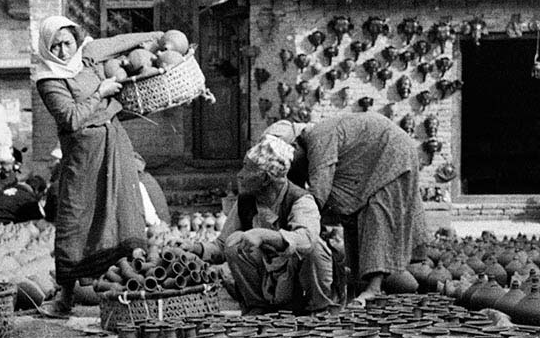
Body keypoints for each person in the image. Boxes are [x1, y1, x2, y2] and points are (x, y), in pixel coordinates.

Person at [33, 15, 157, 317]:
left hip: (114, 144)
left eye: (67, 43)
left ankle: (141, 290)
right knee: (74, 220)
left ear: (77, 40)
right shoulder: (49, 79)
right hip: (82, 156)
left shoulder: (89, 56)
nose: (63, 51)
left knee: (124, 211)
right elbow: (72, 119)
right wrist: (100, 92)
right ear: (46, 49)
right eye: (56, 46)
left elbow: (121, 42)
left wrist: (158, 38)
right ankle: (65, 296)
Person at [277, 112, 425, 307]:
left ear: (294, 145)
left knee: (378, 213)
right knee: (353, 217)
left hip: (392, 155)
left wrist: (303, 227)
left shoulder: (318, 138)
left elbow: (319, 189)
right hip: (374, 160)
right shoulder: (315, 142)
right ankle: (357, 284)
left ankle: (373, 288)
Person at [182, 136, 337, 315]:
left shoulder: (300, 199)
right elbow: (223, 245)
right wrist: (195, 249)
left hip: (295, 280)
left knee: (315, 248)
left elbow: (306, 239)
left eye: (247, 168)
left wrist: (263, 235)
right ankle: (257, 308)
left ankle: (316, 310)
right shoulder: (246, 201)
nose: (240, 175)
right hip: (267, 280)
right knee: (235, 243)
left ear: (264, 178)